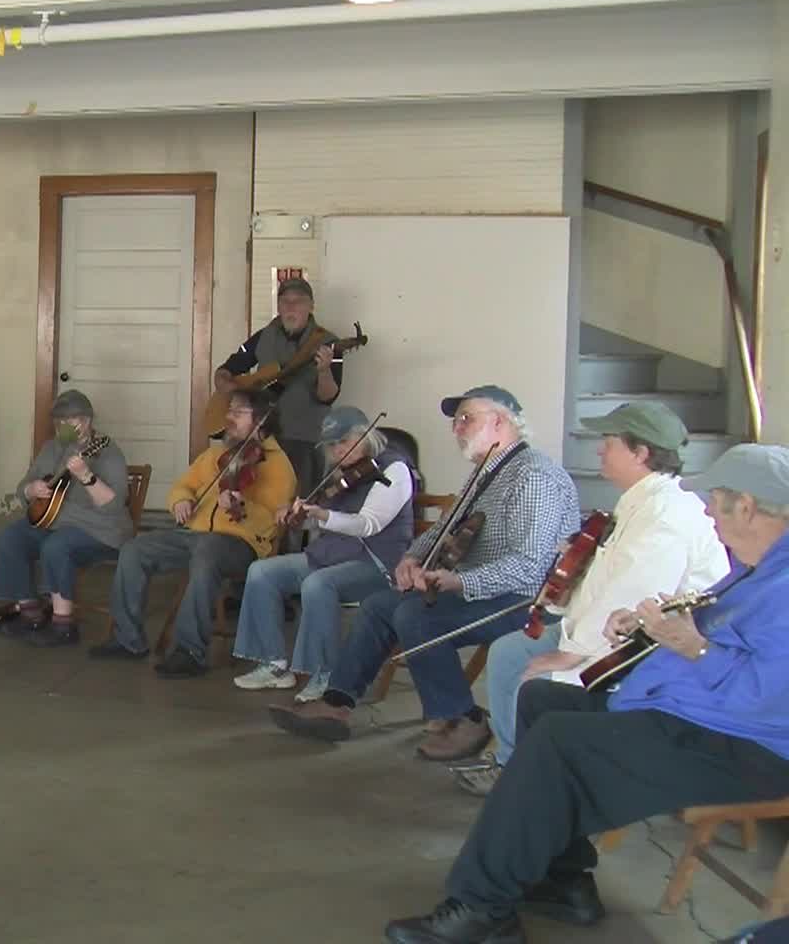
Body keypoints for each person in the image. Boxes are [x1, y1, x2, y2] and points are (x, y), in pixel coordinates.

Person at [384, 445, 789, 944]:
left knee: (559, 740)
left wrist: (696, 648)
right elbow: (716, 624)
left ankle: (482, 909)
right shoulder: (757, 565)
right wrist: (653, 623)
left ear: (746, 506)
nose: (708, 513)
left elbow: (771, 698)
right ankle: (564, 880)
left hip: (747, 745)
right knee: (542, 699)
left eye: (717, 501)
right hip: (698, 709)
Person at [271, 385, 580, 763]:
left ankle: (462, 718)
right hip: (482, 589)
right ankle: (337, 702)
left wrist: (460, 581)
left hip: (526, 601)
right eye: (456, 421)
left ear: (500, 422)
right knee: (378, 606)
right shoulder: (485, 471)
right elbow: (444, 528)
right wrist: (411, 557)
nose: (456, 429)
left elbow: (530, 567)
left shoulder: (534, 476)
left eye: (466, 419)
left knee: (416, 615)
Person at [449, 401, 729, 796]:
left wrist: (572, 654)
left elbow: (632, 597)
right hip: (600, 628)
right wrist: (565, 589)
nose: (600, 450)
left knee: (539, 678)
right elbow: (606, 580)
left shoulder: (667, 514)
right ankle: (512, 762)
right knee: (508, 653)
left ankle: (538, 777)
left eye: (609, 442)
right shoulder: (640, 500)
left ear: (640, 453)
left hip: (642, 646)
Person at [88, 389, 296, 675]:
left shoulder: (278, 465)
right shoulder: (216, 454)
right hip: (194, 534)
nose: (229, 418)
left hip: (240, 544)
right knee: (135, 549)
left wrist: (241, 505)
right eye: (230, 411)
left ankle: (189, 651)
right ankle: (127, 639)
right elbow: (182, 485)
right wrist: (181, 500)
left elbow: (274, 520)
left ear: (261, 420)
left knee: (207, 552)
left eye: (238, 413)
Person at [231, 406, 417, 700]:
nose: (338, 450)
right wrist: (296, 515)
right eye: (332, 444)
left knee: (318, 584)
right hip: (335, 555)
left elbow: (368, 524)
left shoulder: (395, 470)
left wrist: (322, 515)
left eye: (344, 441)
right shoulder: (340, 473)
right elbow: (321, 517)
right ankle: (273, 665)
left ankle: (325, 673)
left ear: (365, 435)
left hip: (379, 564)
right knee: (262, 572)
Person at [0, 390, 130, 647]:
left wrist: (87, 476)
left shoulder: (107, 451)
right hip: (54, 523)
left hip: (99, 529)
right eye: (58, 422)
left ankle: (63, 625)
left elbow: (114, 505)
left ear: (87, 421)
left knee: (56, 545)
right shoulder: (52, 448)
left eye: (69, 421)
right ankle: (30, 612)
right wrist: (31, 489)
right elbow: (24, 486)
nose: (62, 427)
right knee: (10, 538)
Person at [215, 277, 342, 497]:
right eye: (285, 301)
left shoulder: (329, 342)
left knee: (298, 500)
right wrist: (227, 387)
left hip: (303, 439)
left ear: (311, 306)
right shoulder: (263, 336)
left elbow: (328, 396)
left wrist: (323, 371)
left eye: (298, 301)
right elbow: (227, 369)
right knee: (255, 497)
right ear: (279, 305)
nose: (291, 307)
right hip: (260, 438)